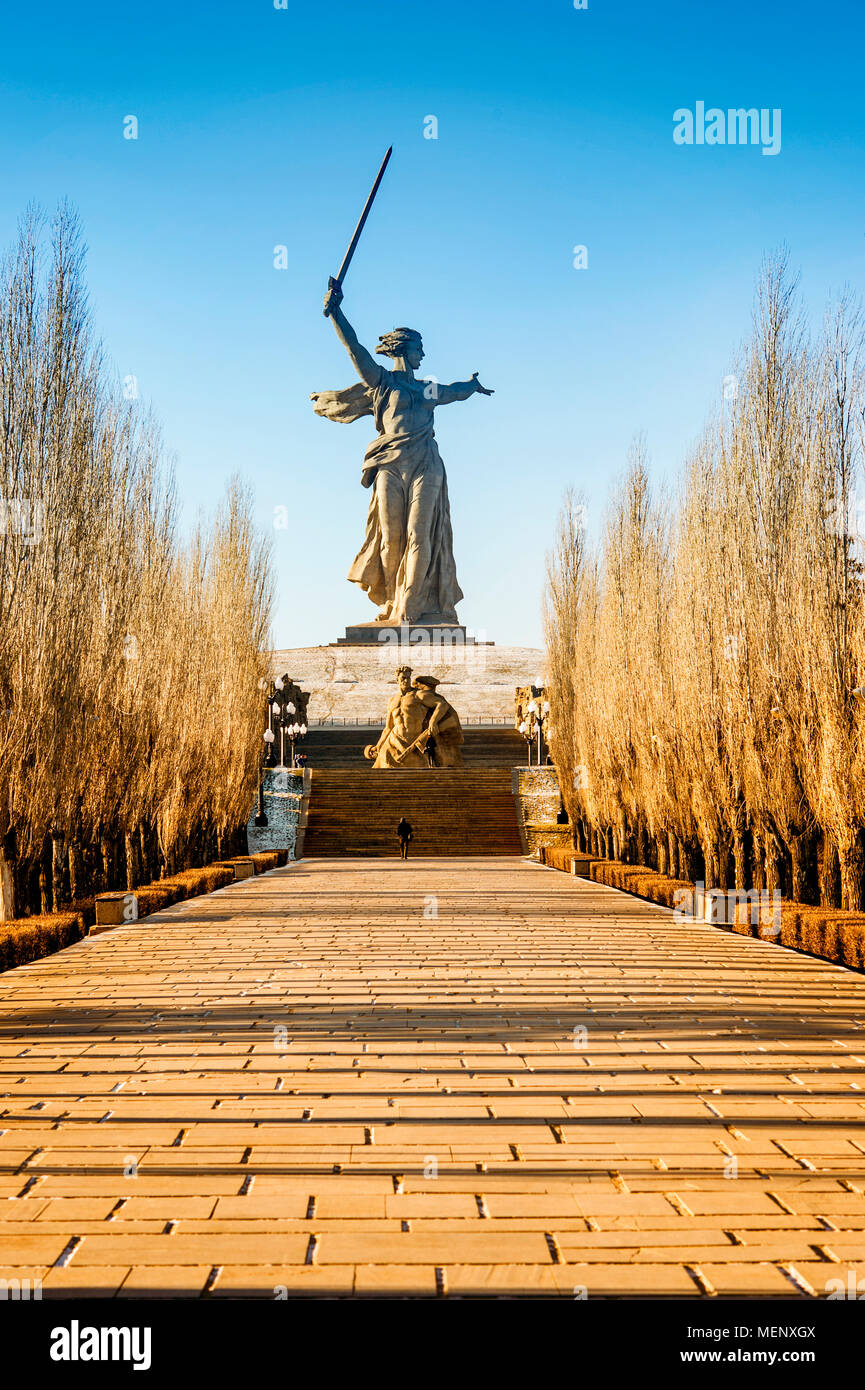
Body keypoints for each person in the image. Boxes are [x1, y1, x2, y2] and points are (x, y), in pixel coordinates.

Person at [311, 283, 493, 625]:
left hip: (425, 462)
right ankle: (392, 601)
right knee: (390, 538)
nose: (423, 356)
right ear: (403, 349)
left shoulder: (425, 387)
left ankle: (411, 606)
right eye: (419, 349)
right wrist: (336, 312)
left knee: (418, 533)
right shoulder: (381, 382)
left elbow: (453, 392)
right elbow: (355, 349)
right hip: (389, 465)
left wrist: (471, 385)